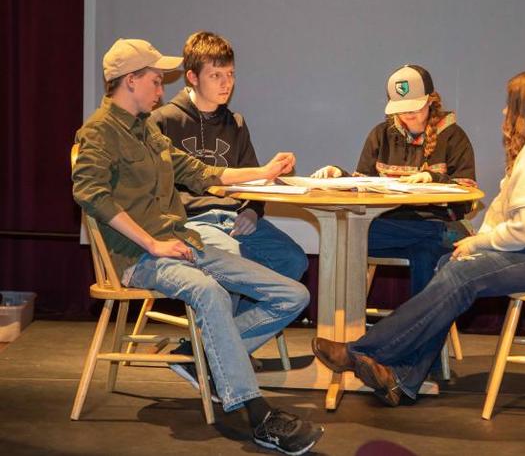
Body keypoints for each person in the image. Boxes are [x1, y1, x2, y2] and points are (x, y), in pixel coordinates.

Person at [311, 70, 525, 408]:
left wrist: (478, 243)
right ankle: (402, 379)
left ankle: (361, 351)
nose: (505, 113)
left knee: (461, 272)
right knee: (451, 262)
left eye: (511, 106)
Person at [72, 38, 323, 455]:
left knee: (292, 293)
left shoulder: (147, 130)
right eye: (155, 80)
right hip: (137, 256)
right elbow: (91, 194)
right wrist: (153, 243)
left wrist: (265, 171)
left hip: (179, 242)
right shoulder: (98, 132)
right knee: (209, 292)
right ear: (130, 81)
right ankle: (256, 415)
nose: (161, 89)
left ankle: (203, 357)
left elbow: (201, 172)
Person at [150, 31, 308, 374]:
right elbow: (157, 189)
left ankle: (208, 349)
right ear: (192, 77)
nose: (226, 84)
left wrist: (253, 209)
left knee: (293, 260)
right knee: (234, 259)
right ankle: (221, 357)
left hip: (234, 219)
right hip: (190, 222)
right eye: (216, 75)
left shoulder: (235, 123)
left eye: (231, 74)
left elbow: (251, 180)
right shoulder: (163, 121)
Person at [311, 64, 477, 296]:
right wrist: (339, 175)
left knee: (354, 236)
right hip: (392, 226)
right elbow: (365, 187)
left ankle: (414, 331)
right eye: (402, 108)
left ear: (430, 99)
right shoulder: (381, 135)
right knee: (356, 238)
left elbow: (468, 198)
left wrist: (434, 178)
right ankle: (356, 327)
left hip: (437, 222)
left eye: (415, 107)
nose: (409, 114)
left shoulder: (453, 136)